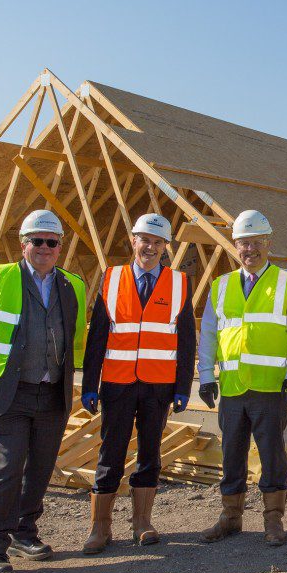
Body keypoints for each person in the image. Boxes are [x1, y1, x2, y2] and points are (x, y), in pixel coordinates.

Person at [0, 209, 87, 573]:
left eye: (52, 242)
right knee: (7, 465)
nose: (45, 247)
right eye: (37, 241)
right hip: (7, 394)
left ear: (60, 246)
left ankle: (24, 531)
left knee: (41, 467)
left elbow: (74, 337)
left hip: (50, 393)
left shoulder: (72, 284)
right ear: (23, 243)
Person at [79, 213, 196, 553]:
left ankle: (142, 523)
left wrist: (182, 387)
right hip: (117, 383)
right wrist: (90, 384)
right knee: (110, 453)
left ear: (165, 247)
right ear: (133, 241)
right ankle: (100, 529)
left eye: (158, 242)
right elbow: (97, 336)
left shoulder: (178, 283)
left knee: (150, 454)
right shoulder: (112, 279)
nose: (150, 247)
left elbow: (185, 341)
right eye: (145, 240)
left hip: (158, 386)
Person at [197, 210, 287, 546]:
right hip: (232, 388)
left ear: (268, 243)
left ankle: (273, 520)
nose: (250, 249)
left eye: (256, 242)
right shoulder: (221, 285)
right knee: (231, 453)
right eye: (244, 243)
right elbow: (209, 335)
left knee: (272, 454)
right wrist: (205, 376)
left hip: (270, 388)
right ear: (235, 245)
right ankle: (230, 517)